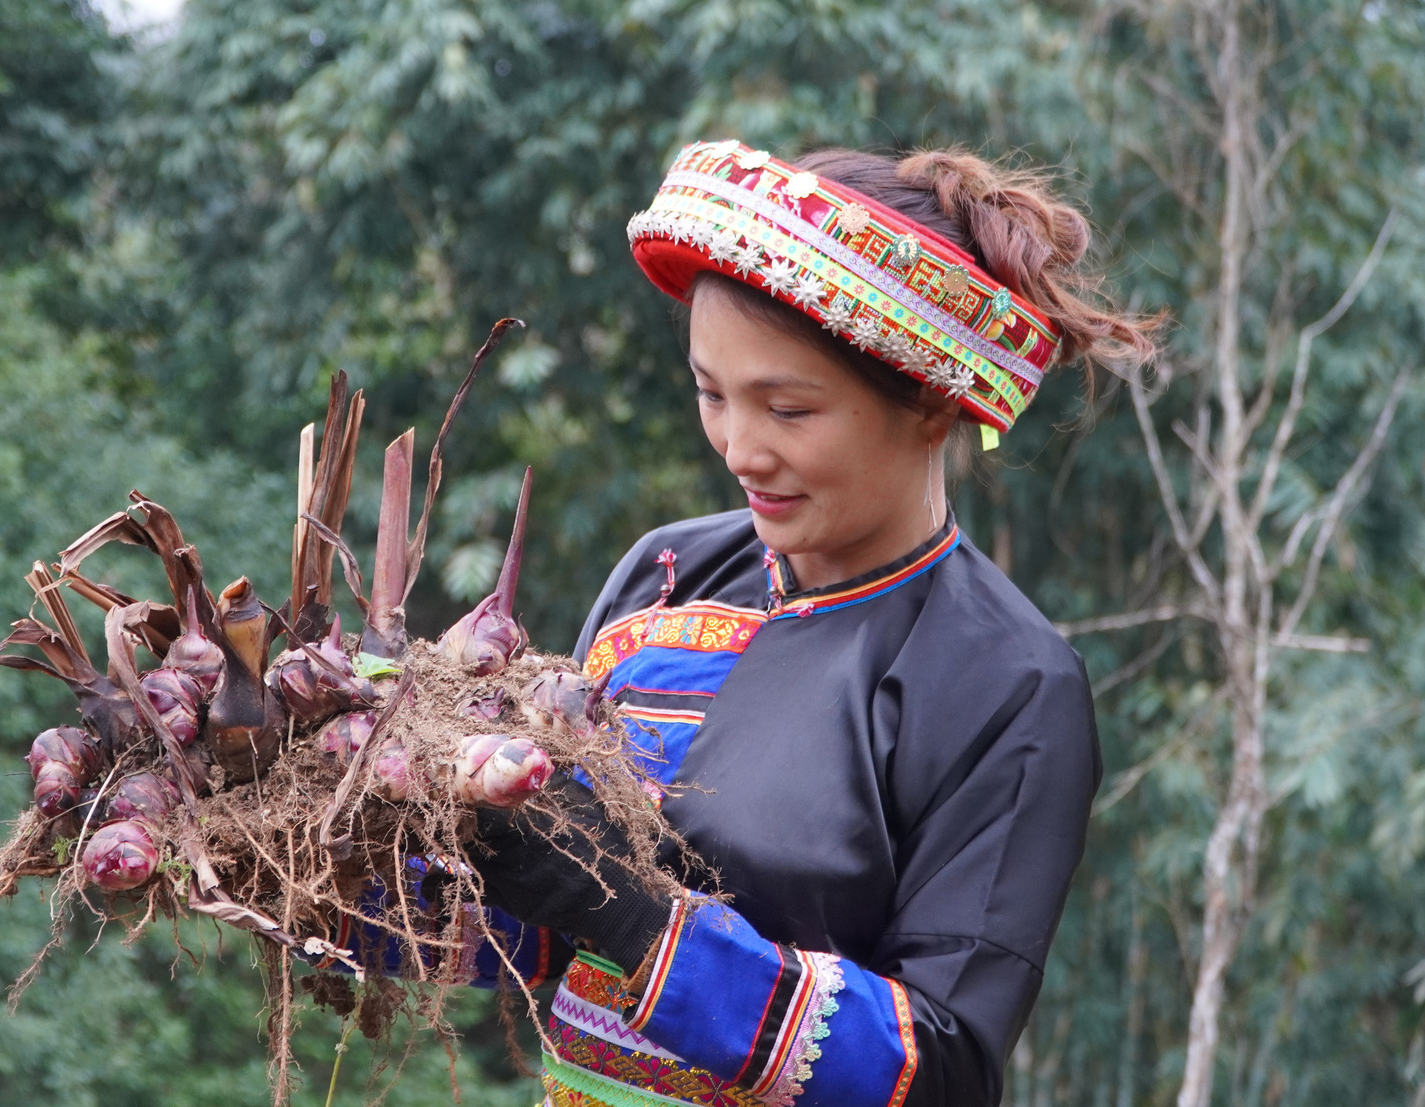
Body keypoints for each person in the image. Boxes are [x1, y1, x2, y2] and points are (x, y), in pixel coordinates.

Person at [350, 140, 1158, 1107]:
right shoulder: (665, 576)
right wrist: (288, 846)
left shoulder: (1009, 683)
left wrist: (637, 917)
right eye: (711, 393)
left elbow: (942, 1067)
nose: (740, 447)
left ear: (935, 404)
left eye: (788, 407)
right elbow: (536, 936)